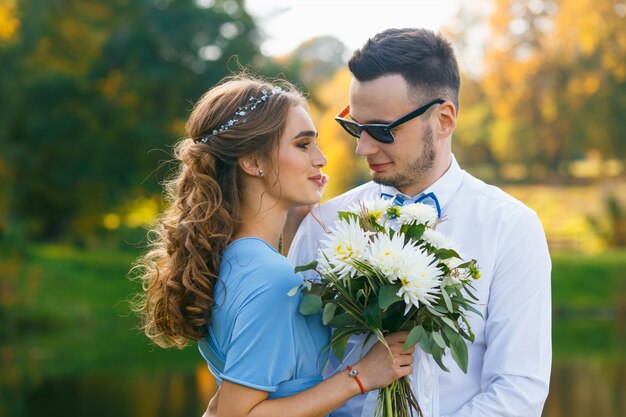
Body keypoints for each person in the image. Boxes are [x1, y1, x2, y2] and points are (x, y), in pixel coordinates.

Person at [288, 28, 552, 417]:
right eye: (356, 127)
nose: (363, 147)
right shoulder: (323, 225)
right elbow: (295, 374)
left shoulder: (511, 227)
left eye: (381, 130)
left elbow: (518, 389)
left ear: (444, 119)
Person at [132, 75, 416, 417]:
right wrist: (361, 377)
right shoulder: (272, 279)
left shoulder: (234, 259)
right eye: (303, 145)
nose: (321, 158)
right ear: (253, 162)